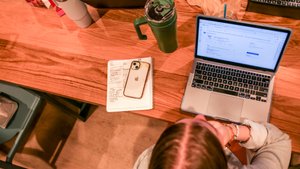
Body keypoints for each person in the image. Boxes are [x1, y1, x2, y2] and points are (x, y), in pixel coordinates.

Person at [133, 115, 291, 169]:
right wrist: (231, 131)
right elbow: (279, 141)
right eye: (207, 125)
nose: (200, 115)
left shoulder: (145, 161)